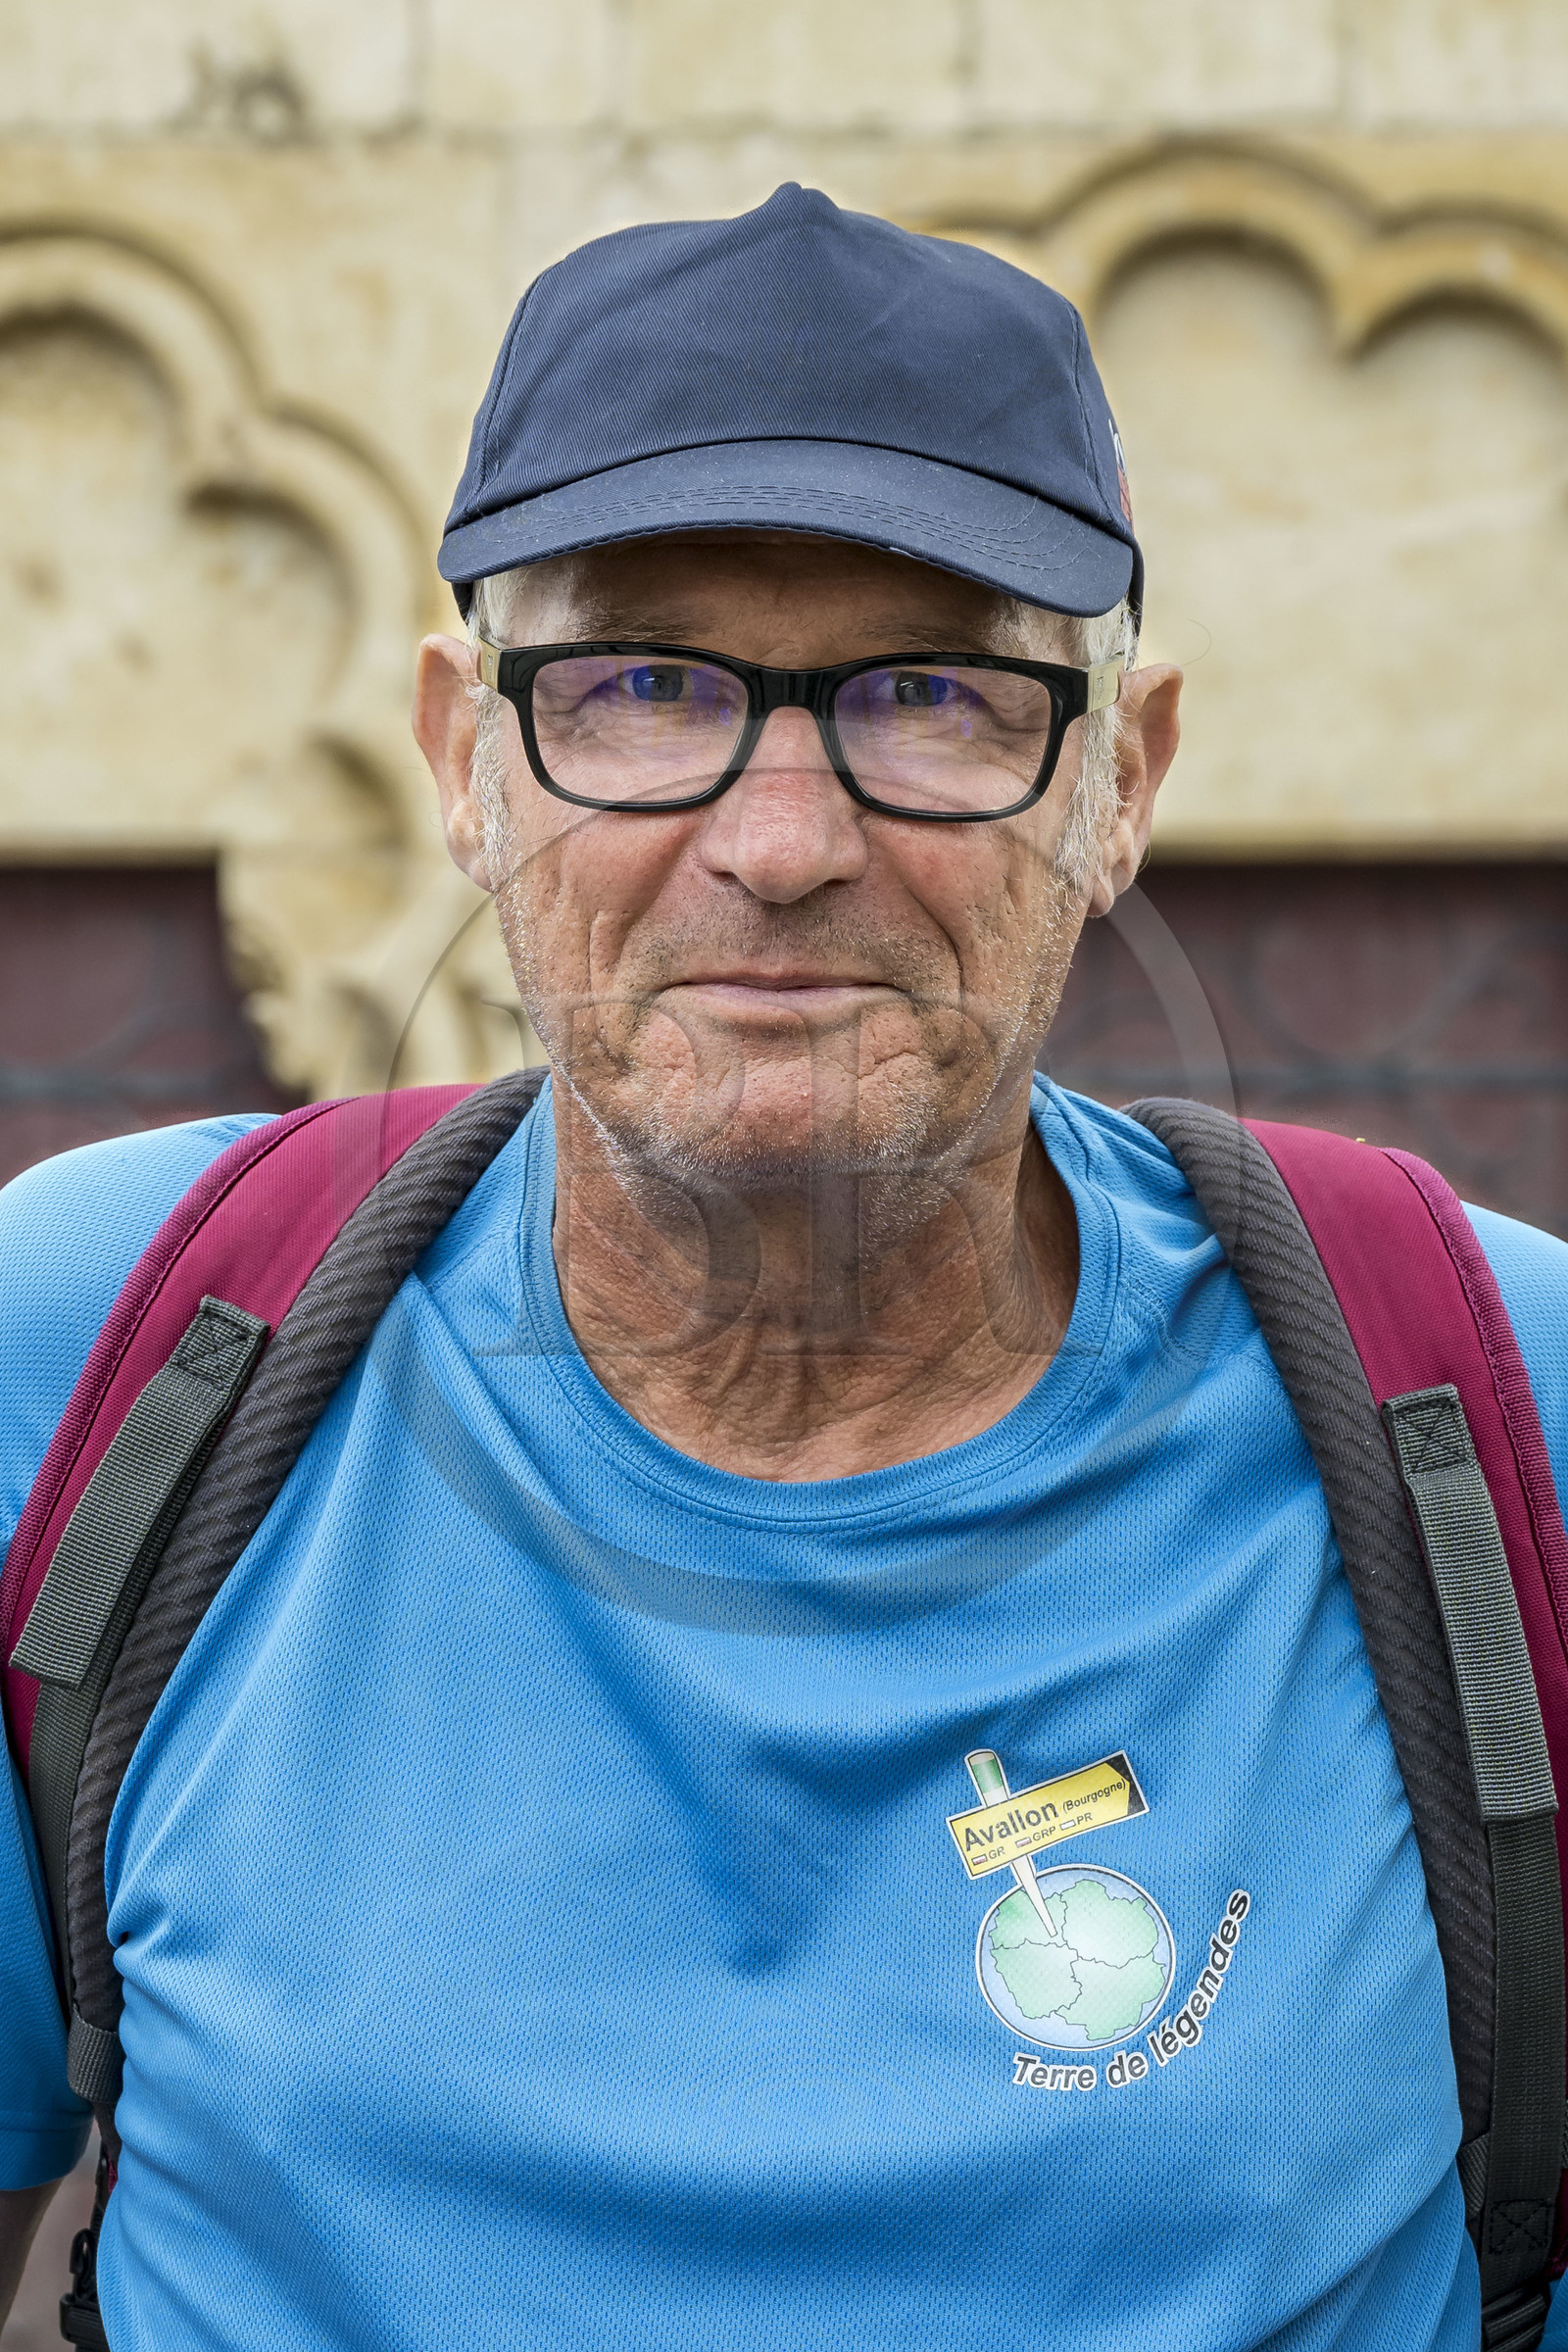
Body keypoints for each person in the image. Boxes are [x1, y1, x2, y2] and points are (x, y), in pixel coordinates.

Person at [2, 180, 1565, 2351]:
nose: (778, 839)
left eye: (931, 698)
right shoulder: (100, 1357)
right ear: (465, 764)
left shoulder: (1493, 1407)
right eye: (639, 688)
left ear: (1120, 782)